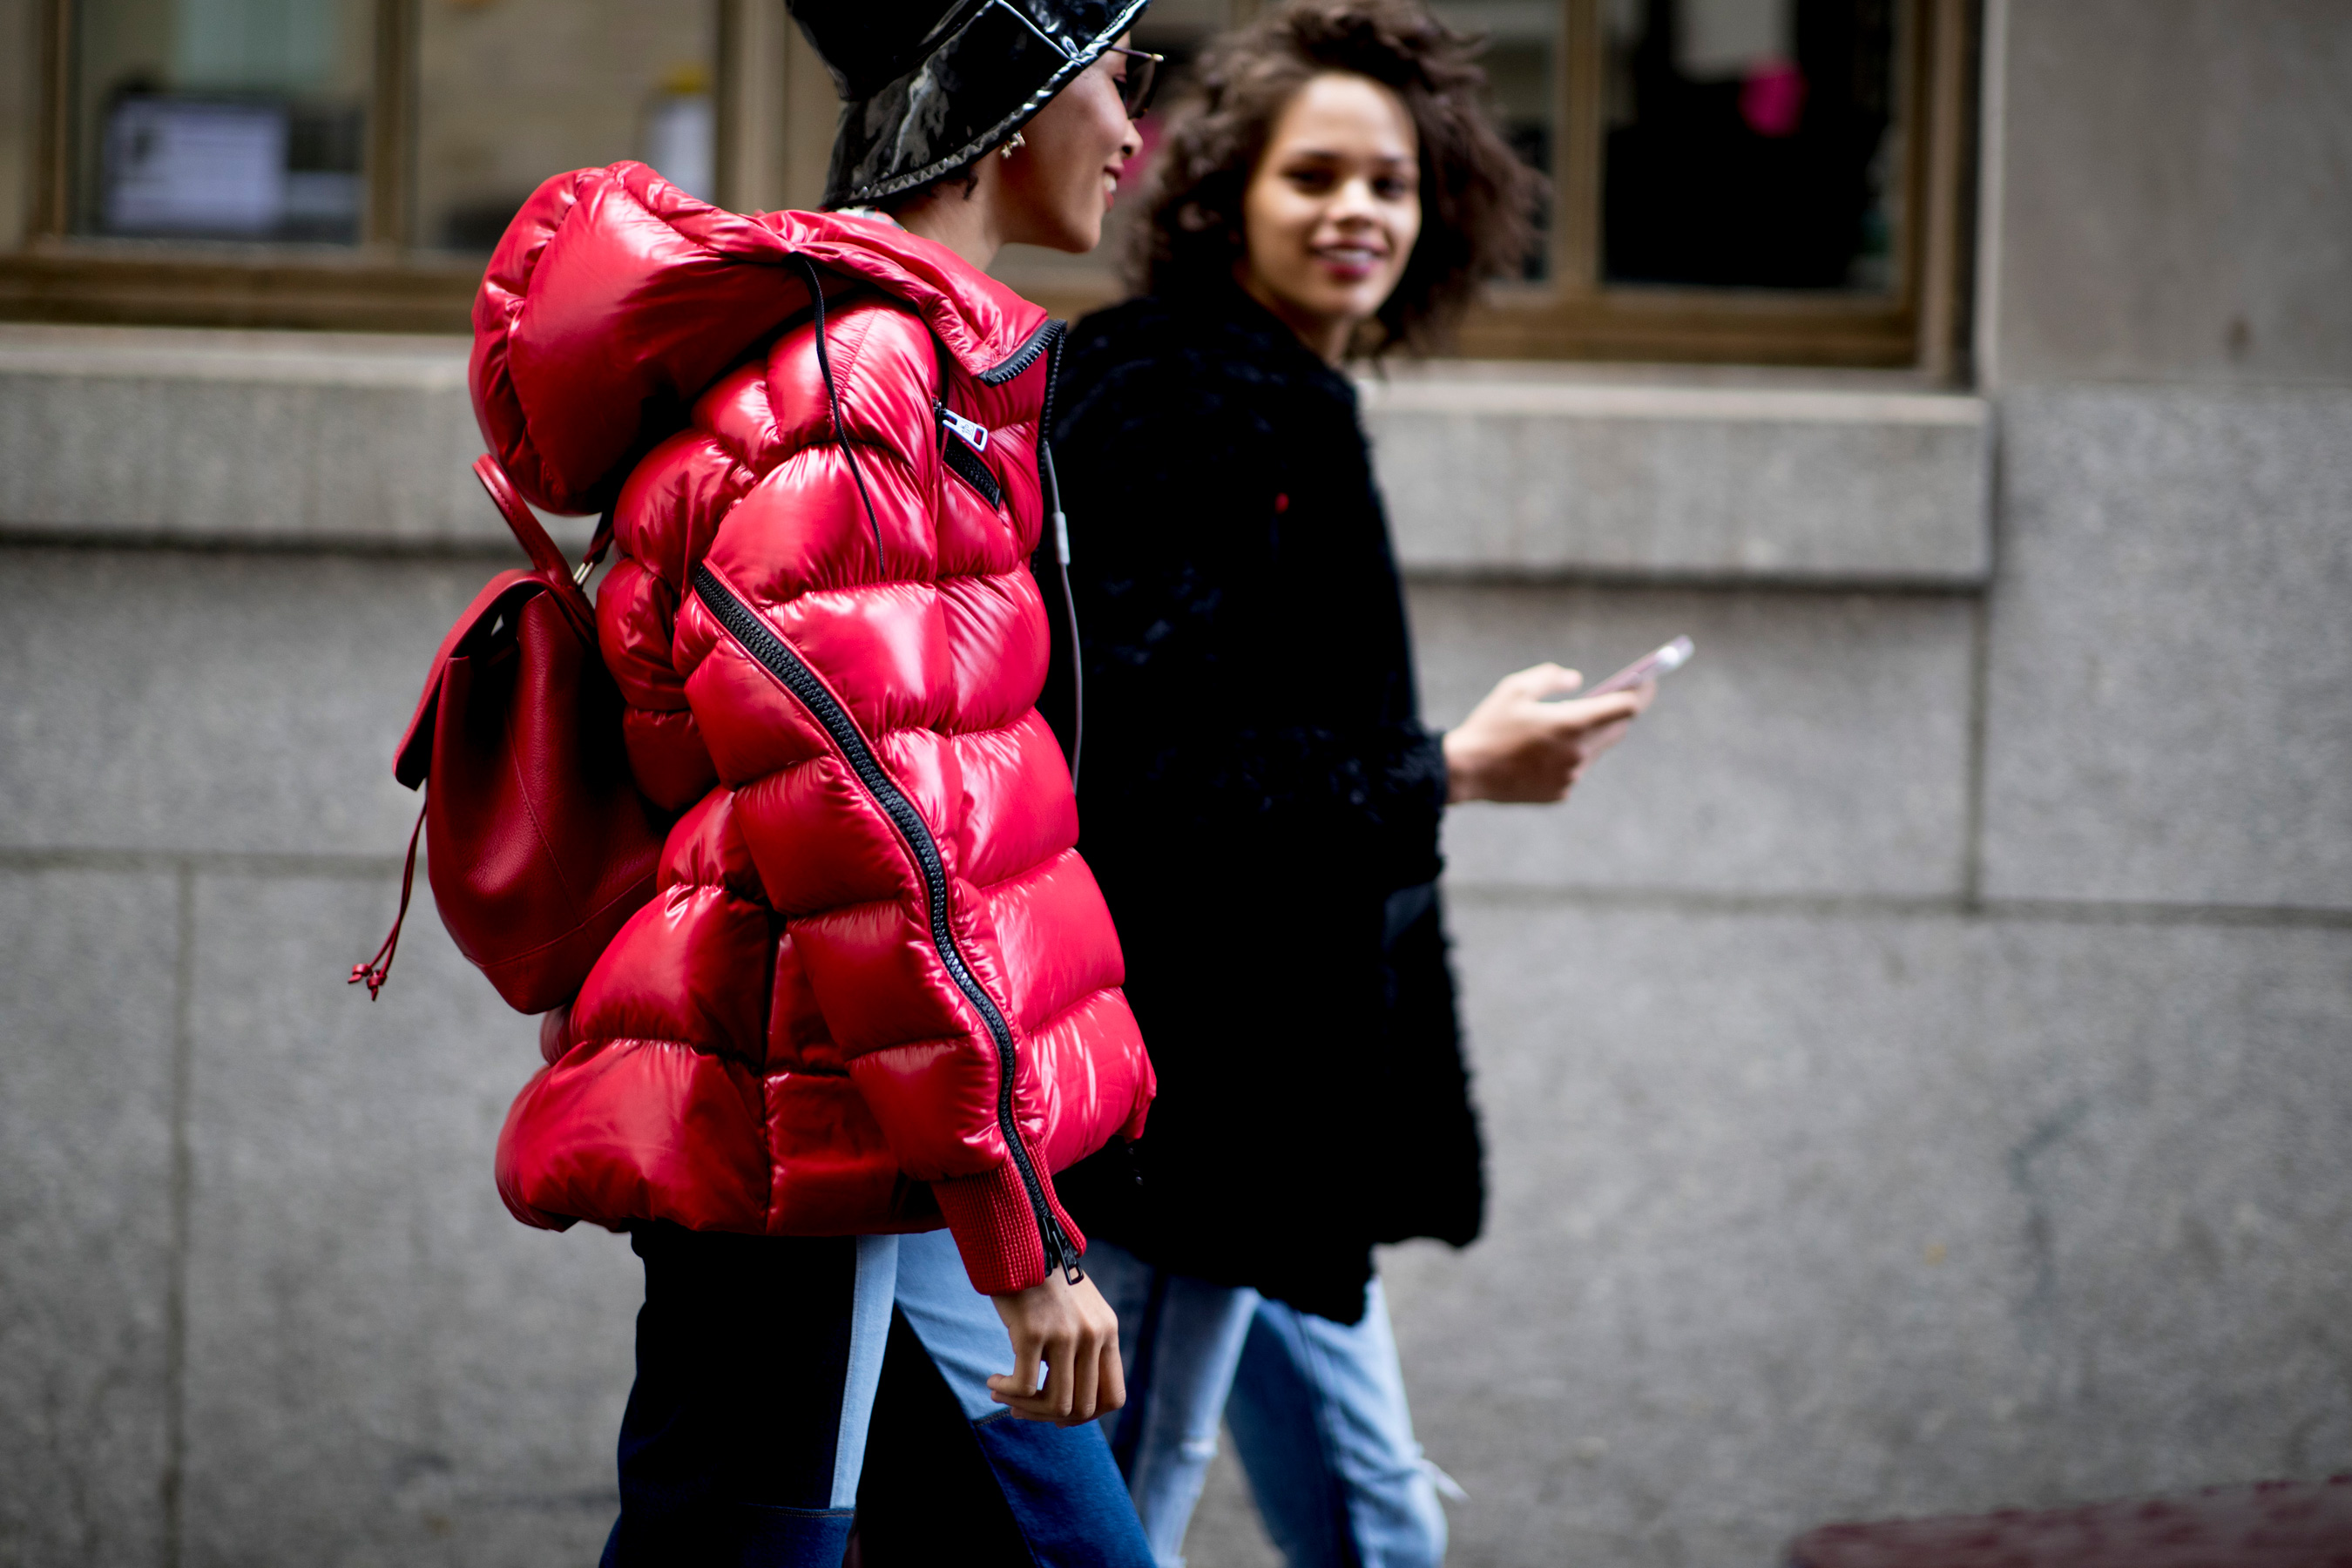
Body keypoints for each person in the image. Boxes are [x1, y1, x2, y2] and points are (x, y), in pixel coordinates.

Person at [463, 0, 1178, 1559]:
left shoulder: (911, 370)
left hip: (868, 1133)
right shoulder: (866, 386)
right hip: (806, 1145)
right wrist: (1018, 1231)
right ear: (1014, 101)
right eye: (1118, 82)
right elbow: (877, 842)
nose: (1136, 133)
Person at [1045, 3, 1656, 1564]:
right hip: (1190, 1113)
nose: (1357, 212)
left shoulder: (1278, 392)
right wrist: (1448, 766)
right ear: (1227, 187)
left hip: (1273, 1118)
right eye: (1314, 175)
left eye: (1390, 181)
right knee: (1122, 1529)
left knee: (1376, 1528)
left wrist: (1433, 772)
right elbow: (1153, 772)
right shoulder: (1187, 392)